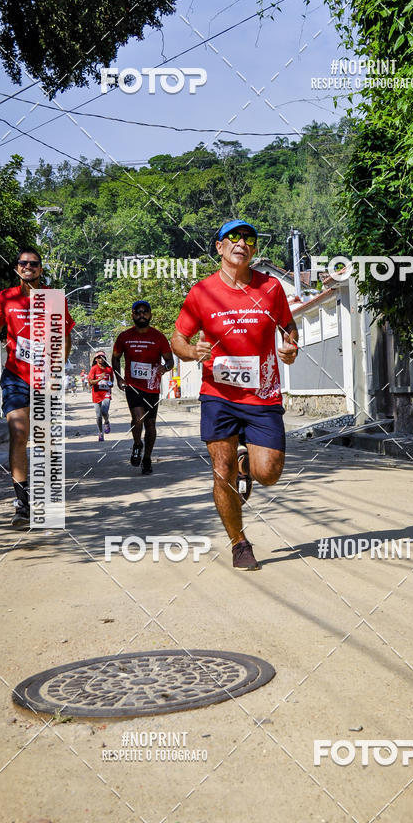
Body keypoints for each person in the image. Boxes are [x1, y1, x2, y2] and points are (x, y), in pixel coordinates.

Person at [171, 219, 299, 571]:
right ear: (219, 246)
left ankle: (247, 466)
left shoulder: (271, 287)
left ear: (254, 249)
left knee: (268, 473)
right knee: (221, 470)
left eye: (249, 239)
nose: (241, 243)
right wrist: (190, 352)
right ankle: (239, 543)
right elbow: (178, 339)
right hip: (218, 394)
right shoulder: (201, 292)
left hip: (262, 393)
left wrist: (290, 345)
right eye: (233, 237)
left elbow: (288, 326)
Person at [0, 247, 74, 528]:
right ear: (17, 268)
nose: (27, 267)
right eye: (23, 263)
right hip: (15, 376)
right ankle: (22, 504)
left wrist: (57, 367)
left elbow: (64, 336)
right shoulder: (6, 297)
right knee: (19, 434)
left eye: (33, 264)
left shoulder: (54, 299)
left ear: (40, 269)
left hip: (46, 378)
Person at [112, 300, 174, 475]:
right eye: (137, 312)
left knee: (150, 424)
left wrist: (165, 367)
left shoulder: (158, 337)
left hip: (152, 386)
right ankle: (137, 444)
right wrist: (119, 378)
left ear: (150, 315)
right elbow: (115, 357)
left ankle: (147, 458)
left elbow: (170, 360)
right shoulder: (124, 336)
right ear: (132, 315)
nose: (141, 315)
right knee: (138, 419)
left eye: (145, 312)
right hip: (133, 385)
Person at [88, 351, 113, 441]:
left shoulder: (109, 369)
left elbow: (112, 381)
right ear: (96, 359)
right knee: (98, 416)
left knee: (104, 411)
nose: (100, 359)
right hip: (96, 394)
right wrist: (100, 379)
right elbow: (90, 382)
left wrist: (110, 384)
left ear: (105, 358)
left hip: (106, 393)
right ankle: (100, 433)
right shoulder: (94, 369)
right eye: (98, 357)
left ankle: (106, 422)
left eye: (102, 357)